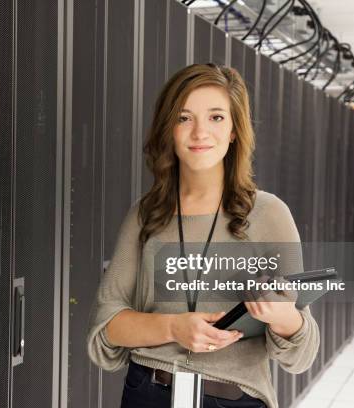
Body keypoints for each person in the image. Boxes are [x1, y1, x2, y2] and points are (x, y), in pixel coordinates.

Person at [86, 63, 320, 408]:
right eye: (184, 118)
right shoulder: (144, 214)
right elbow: (105, 329)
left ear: (234, 131)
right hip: (147, 393)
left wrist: (281, 315)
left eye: (216, 118)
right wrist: (173, 328)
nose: (199, 133)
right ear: (169, 129)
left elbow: (302, 354)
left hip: (233, 398)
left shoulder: (269, 214)